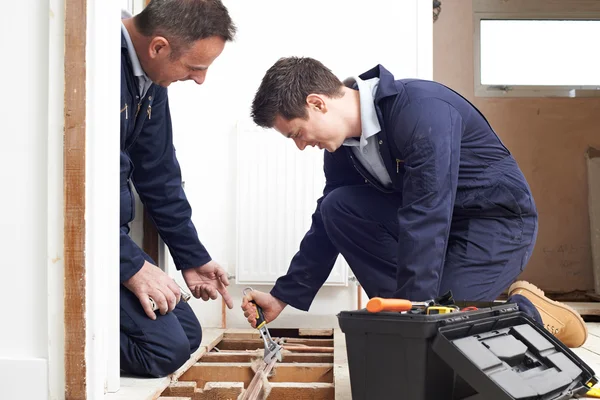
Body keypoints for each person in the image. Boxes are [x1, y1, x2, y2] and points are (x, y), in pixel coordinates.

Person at [241, 57, 588, 348]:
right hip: (438, 224)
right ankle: (413, 318)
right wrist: (282, 296)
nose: (301, 145)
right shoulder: (343, 152)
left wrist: (416, 318)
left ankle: (531, 311)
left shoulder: (420, 110)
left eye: (297, 134)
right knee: (337, 207)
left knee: (443, 330)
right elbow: (325, 227)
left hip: (494, 224)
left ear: (317, 103)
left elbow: (427, 212)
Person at [119, 0, 236, 377]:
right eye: (195, 67)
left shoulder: (150, 79)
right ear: (158, 47)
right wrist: (130, 265)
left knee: (186, 334)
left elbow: (159, 175)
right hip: (87, 242)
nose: (200, 79)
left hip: (112, 242)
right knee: (162, 352)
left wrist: (192, 258)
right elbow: (81, 192)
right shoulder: (98, 66)